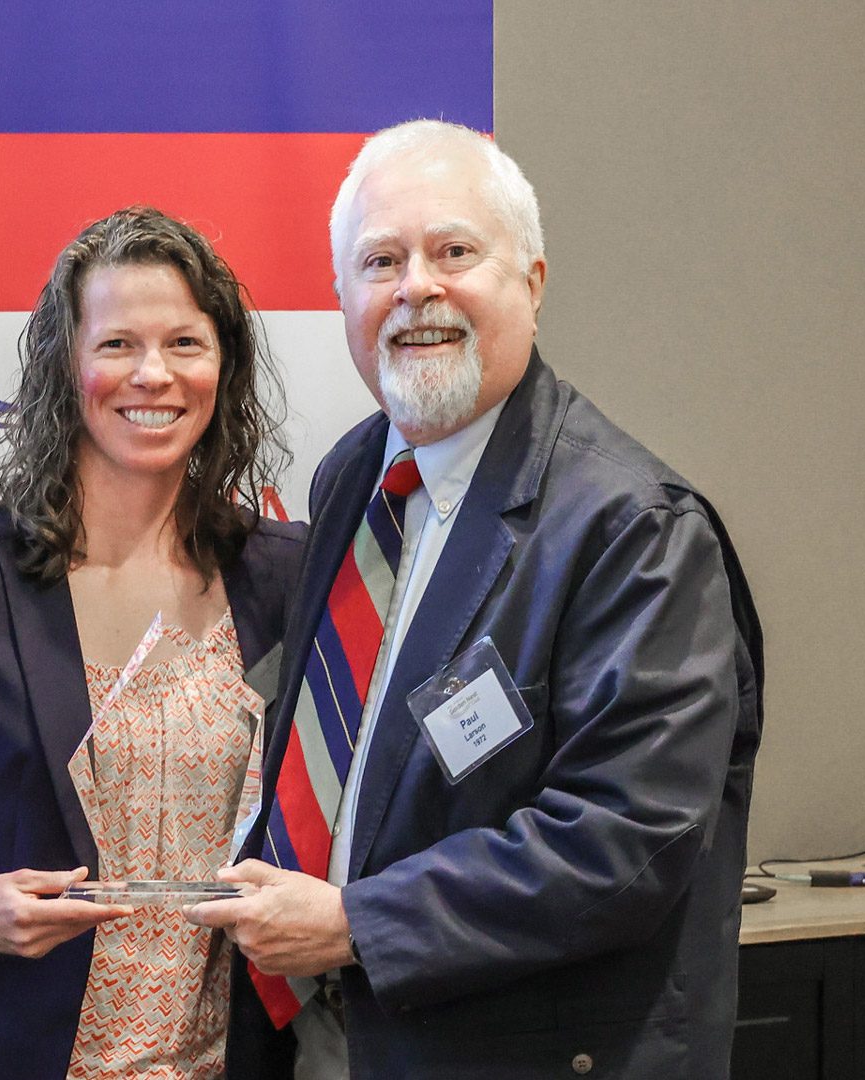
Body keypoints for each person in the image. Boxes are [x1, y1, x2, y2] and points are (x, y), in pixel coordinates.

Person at [189, 121, 765, 1078]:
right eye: (381, 261)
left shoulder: (634, 530)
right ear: (342, 301)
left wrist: (355, 924)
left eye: (455, 251)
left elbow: (625, 841)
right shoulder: (354, 478)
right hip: (331, 1040)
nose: (417, 286)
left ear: (531, 283)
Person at [0, 206, 304, 1079]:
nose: (154, 375)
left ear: (224, 366)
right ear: (64, 367)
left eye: (185, 343)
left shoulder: (285, 580)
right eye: (116, 345)